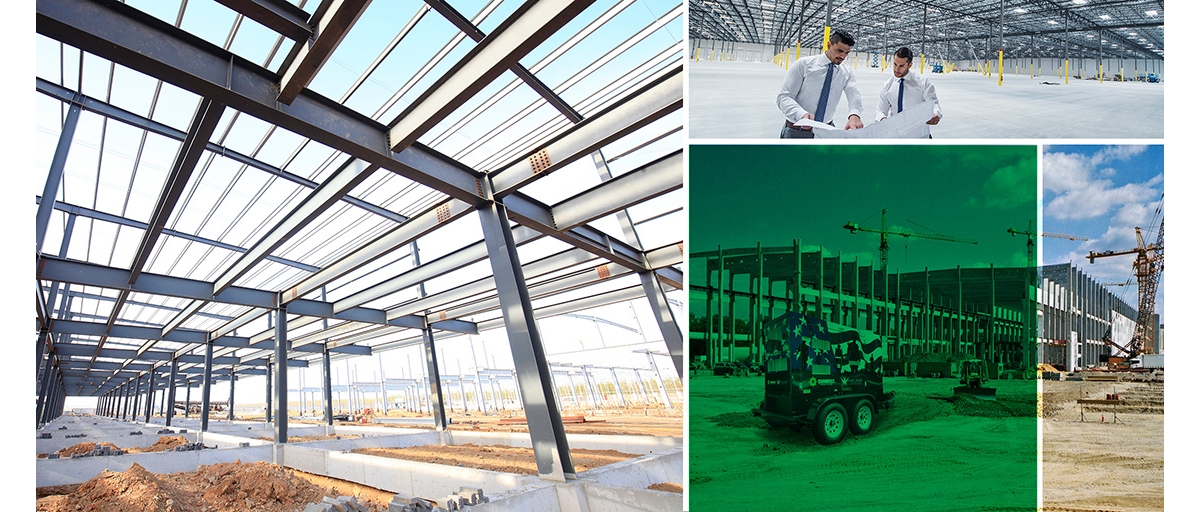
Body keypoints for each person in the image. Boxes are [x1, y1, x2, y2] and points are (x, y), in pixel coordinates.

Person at [777, 30, 864, 139]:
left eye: (846, 53)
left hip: (826, 130)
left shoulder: (846, 72)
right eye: (839, 50)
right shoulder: (804, 65)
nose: (842, 56)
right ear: (829, 45)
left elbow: (854, 94)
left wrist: (854, 114)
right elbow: (784, 97)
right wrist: (801, 114)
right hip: (797, 131)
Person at [875, 47, 942, 133]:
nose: (896, 69)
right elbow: (880, 110)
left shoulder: (923, 82)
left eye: (901, 66)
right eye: (895, 64)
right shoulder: (887, 86)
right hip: (897, 135)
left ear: (910, 65)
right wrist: (883, 120)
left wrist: (935, 114)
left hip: (919, 135)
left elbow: (934, 104)